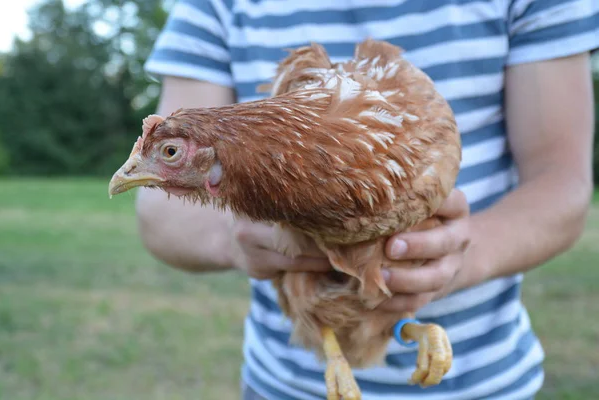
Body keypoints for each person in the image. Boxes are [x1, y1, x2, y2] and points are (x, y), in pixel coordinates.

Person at [137, 1, 598, 399]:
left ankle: (407, 328)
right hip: (289, 385)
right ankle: (335, 347)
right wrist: (235, 241)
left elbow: (563, 181)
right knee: (319, 294)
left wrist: (462, 256)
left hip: (484, 381)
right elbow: (159, 218)